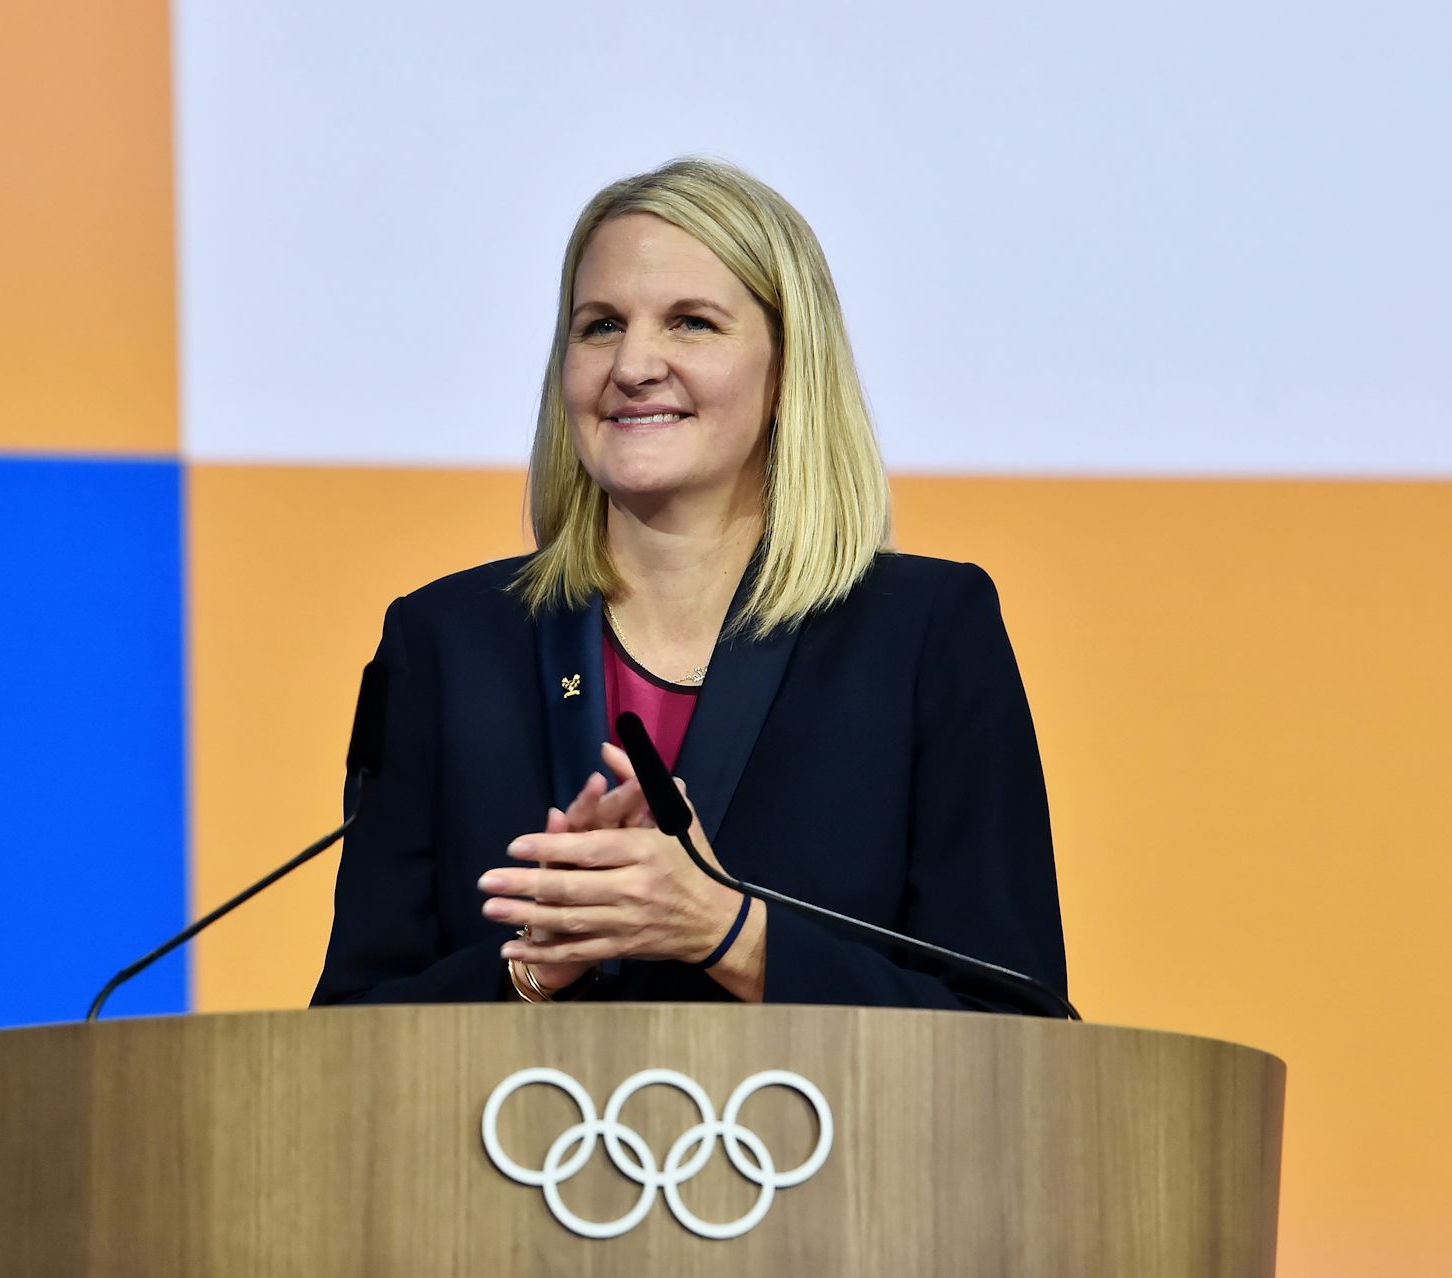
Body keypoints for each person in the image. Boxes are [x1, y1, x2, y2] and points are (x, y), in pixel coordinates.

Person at [311, 158, 1065, 1010]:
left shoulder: (926, 636)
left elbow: (1018, 1025)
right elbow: (349, 1030)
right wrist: (533, 967)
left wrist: (727, 934)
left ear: (788, 371)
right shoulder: (447, 644)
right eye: (599, 326)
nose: (633, 363)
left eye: (691, 323)